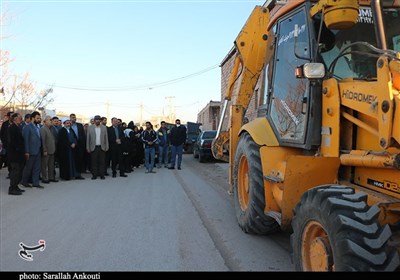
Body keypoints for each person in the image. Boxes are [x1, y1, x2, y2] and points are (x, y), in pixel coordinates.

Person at [21, 111, 43, 189]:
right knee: (28, 168)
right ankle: (24, 181)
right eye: (37, 118)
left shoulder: (38, 127)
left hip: (38, 151)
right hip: (30, 151)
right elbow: (25, 140)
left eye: (39, 118)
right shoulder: (27, 127)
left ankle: (35, 183)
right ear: (32, 118)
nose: (39, 119)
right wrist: (26, 151)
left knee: (37, 168)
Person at [7, 113, 25, 195]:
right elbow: (11, 141)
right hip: (14, 154)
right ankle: (12, 188)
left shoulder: (18, 127)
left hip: (19, 154)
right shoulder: (11, 128)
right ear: (14, 119)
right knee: (15, 171)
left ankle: (16, 186)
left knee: (18, 171)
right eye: (19, 118)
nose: (21, 119)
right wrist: (17, 149)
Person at [86, 115, 109, 180]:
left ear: (100, 121)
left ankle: (102, 175)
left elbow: (106, 138)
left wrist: (107, 146)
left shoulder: (104, 127)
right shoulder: (90, 128)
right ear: (94, 120)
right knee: (94, 162)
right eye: (96, 120)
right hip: (93, 147)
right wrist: (88, 147)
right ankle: (94, 175)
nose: (97, 121)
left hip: (102, 147)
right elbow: (88, 139)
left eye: (99, 120)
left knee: (102, 162)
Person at [40, 116, 57, 184]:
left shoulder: (51, 128)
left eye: (51, 120)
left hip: (52, 150)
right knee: (44, 165)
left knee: (51, 165)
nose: (51, 121)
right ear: (45, 121)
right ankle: (44, 178)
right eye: (49, 120)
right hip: (46, 151)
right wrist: (44, 150)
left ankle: (51, 177)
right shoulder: (43, 129)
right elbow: (43, 141)